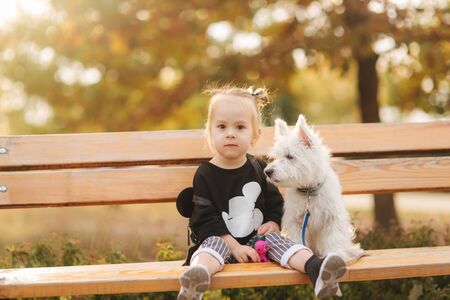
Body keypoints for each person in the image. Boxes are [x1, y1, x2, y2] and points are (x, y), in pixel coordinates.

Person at [178, 85, 346, 300]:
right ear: (210, 132)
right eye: (221, 126)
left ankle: (317, 268)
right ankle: (197, 278)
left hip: (257, 245)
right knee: (210, 247)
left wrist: (273, 223)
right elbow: (204, 220)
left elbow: (275, 203)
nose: (230, 134)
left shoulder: (258, 168)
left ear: (255, 135)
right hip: (221, 243)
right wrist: (234, 247)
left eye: (239, 127)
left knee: (281, 241)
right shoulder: (205, 174)